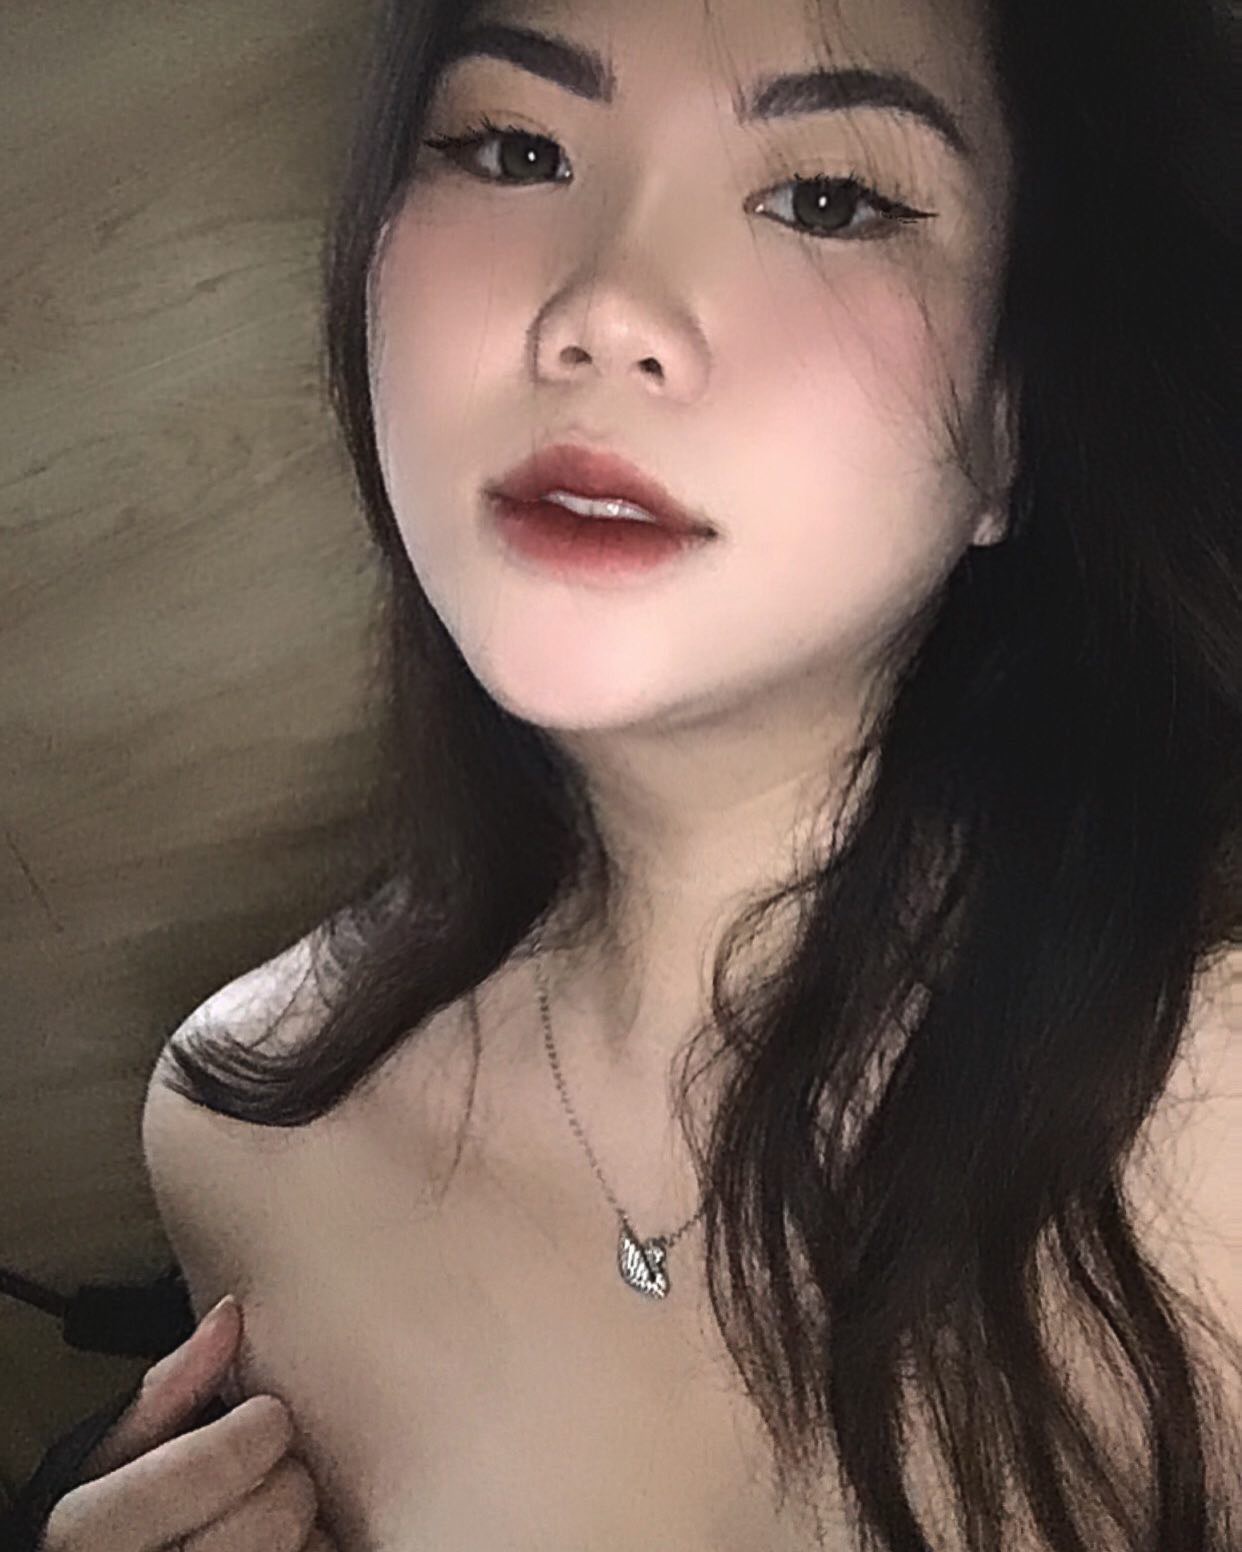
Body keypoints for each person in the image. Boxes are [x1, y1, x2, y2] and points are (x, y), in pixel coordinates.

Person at [13, 0, 1238, 1546]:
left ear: (1013, 419)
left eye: (826, 199)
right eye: (512, 151)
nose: (602, 310)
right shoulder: (249, 1133)